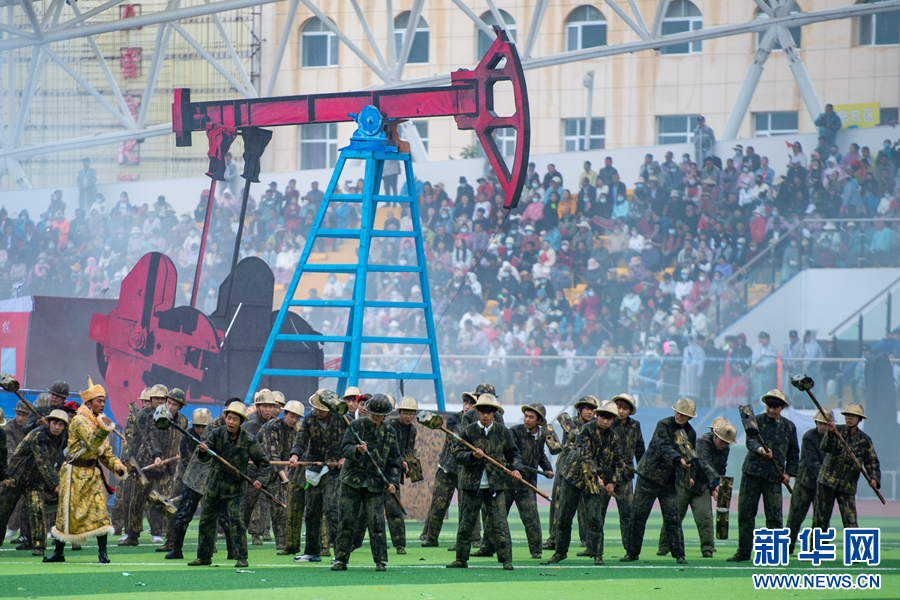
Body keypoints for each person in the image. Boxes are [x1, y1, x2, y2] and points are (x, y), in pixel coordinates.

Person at [48, 379, 127, 564]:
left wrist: (117, 466)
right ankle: (58, 552)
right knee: (66, 513)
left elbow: (105, 453)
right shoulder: (79, 420)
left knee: (100, 512)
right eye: (99, 401)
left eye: (104, 401)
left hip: (92, 474)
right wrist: (104, 429)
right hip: (74, 474)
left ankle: (103, 554)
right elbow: (92, 442)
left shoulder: (98, 420)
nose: (103, 404)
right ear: (89, 403)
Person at [189, 401, 272, 568]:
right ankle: (203, 556)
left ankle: (241, 557)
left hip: (235, 488)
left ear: (241, 421)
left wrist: (260, 480)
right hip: (214, 486)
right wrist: (203, 451)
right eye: (228, 418)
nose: (230, 422)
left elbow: (264, 463)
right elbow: (204, 456)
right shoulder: (217, 434)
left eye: (235, 419)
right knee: (206, 521)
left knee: (237, 522)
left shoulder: (249, 439)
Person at [446, 393, 524, 570]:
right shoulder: (468, 431)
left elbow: (513, 453)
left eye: (489, 411)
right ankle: (461, 559)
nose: (486, 415)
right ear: (478, 412)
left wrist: (517, 469)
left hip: (495, 485)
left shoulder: (503, 432)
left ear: (495, 413)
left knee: (500, 524)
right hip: (471, 485)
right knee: (467, 524)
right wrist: (472, 455)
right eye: (482, 411)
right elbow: (457, 455)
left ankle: (506, 559)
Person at [331, 394, 401, 572]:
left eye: (379, 415)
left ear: (385, 415)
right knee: (346, 522)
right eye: (372, 413)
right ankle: (340, 559)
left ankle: (381, 561)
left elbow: (394, 460)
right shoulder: (356, 426)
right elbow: (344, 448)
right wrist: (357, 449)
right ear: (368, 411)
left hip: (375, 485)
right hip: (350, 482)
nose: (375, 417)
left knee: (377, 523)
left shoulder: (390, 432)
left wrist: (393, 482)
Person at [547, 400, 623, 566]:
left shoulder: (614, 437)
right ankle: (560, 552)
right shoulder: (585, 430)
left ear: (613, 420)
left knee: (595, 518)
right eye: (602, 416)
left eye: (609, 418)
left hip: (595, 482)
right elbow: (585, 456)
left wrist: (612, 482)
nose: (605, 421)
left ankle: (597, 554)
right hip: (573, 478)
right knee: (564, 518)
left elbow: (618, 462)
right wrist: (597, 477)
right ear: (597, 415)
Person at [623, 398, 697, 564]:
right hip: (648, 477)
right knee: (638, 516)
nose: (679, 416)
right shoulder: (663, 424)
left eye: (683, 414)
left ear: (690, 417)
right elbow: (662, 445)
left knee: (673, 519)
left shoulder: (691, 433)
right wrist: (678, 459)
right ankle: (632, 553)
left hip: (668, 482)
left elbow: (691, 457)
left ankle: (679, 554)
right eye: (678, 412)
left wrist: (690, 476)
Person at [728, 389, 799, 562]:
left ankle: (775, 553)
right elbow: (750, 442)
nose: (771, 410)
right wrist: (761, 450)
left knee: (774, 517)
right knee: (745, 514)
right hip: (752, 473)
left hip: (774, 477)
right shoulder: (756, 421)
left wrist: (788, 473)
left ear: (782, 407)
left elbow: (793, 453)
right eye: (769, 406)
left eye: (775, 407)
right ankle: (744, 552)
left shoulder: (789, 427)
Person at [481, 403, 559, 560]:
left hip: (527, 485)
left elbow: (541, 454)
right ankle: (487, 548)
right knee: (496, 517)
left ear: (539, 420)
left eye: (531, 417)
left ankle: (536, 550)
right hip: (508, 482)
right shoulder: (514, 431)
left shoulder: (542, 435)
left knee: (531, 518)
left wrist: (548, 469)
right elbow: (510, 452)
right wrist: (516, 469)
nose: (527, 420)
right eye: (526, 416)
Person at [658, 422, 736, 558]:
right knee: (674, 516)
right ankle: (664, 546)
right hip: (685, 482)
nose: (723, 445)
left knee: (705, 518)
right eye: (722, 441)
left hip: (702, 486)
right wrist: (717, 482)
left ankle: (707, 549)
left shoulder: (725, 449)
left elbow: (721, 468)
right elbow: (704, 462)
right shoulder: (703, 441)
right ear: (714, 435)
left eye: (727, 443)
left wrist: (713, 489)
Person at [289, 389, 347, 562]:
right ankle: (311, 551)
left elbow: (352, 441)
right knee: (312, 510)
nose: (316, 411)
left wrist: (345, 456)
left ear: (330, 408)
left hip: (334, 470)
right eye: (315, 408)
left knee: (332, 509)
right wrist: (295, 455)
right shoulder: (309, 419)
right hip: (314, 468)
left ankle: (339, 553)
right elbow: (301, 439)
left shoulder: (343, 418)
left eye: (320, 409)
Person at [0, 409, 68, 557]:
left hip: (35, 479)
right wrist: (54, 484)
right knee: (3, 510)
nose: (57, 427)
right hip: (16, 476)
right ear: (49, 422)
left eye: (61, 424)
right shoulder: (38, 435)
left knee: (37, 510)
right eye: (55, 423)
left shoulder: (60, 437)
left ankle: (39, 545)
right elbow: (43, 461)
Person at [122, 384, 183, 546]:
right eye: (167, 402)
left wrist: (179, 453)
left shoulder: (182, 420)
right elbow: (149, 437)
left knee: (164, 500)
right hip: (147, 463)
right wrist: (156, 455)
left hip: (167, 466)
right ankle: (132, 534)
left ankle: (159, 533)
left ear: (180, 406)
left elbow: (182, 439)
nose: (168, 406)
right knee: (138, 499)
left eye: (172, 404)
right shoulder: (147, 416)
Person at [812, 404, 881, 532]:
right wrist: (831, 435)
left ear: (859, 419)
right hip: (827, 483)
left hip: (847, 486)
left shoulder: (864, 440)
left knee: (851, 523)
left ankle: (855, 552)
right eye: (847, 415)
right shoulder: (836, 430)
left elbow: (872, 462)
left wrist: (874, 479)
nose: (849, 418)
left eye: (853, 416)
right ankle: (817, 550)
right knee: (820, 521)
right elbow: (825, 447)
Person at [420, 392, 477, 547]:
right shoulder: (454, 418)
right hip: (446, 467)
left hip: (465, 470)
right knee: (438, 504)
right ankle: (431, 538)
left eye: (470, 404)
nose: (466, 406)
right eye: (465, 403)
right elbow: (460, 437)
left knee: (467, 506)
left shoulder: (479, 422)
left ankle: (473, 539)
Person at [543, 395, 598, 550]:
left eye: (593, 410)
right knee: (558, 504)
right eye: (587, 409)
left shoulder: (595, 426)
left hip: (586, 468)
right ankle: (554, 539)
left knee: (586, 505)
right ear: (579, 409)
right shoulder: (569, 421)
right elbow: (573, 434)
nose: (590, 412)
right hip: (566, 468)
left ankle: (587, 541)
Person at [161, 408, 212, 560]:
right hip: (187, 477)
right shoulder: (186, 437)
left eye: (204, 426)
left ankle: (211, 544)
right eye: (198, 426)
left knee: (210, 514)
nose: (201, 430)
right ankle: (173, 544)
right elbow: (189, 461)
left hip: (209, 479)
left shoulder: (214, 435)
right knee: (179, 512)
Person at [257, 399, 303, 553]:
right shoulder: (272, 427)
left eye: (297, 417)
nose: (294, 420)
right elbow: (273, 455)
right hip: (258, 469)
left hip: (278, 472)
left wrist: (287, 475)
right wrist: (286, 479)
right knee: (248, 506)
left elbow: (293, 454)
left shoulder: (296, 430)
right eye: (292, 416)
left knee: (278, 508)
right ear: (285, 414)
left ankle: (282, 543)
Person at [603, 393, 644, 555]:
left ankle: (630, 549)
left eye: (625, 408)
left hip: (626, 476)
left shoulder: (635, 425)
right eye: (619, 407)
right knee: (598, 513)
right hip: (605, 474)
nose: (621, 411)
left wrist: (643, 469)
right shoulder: (608, 423)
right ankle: (594, 549)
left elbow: (640, 449)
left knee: (627, 514)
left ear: (630, 411)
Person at [786, 410, 830, 554]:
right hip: (804, 483)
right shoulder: (809, 437)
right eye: (820, 423)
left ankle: (818, 548)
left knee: (821, 518)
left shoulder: (835, 439)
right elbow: (812, 462)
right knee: (795, 515)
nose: (822, 426)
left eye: (825, 424)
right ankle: (787, 547)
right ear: (816, 423)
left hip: (823, 486)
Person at [242, 390, 280, 545]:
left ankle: (272, 535)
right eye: (265, 406)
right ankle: (251, 534)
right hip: (251, 470)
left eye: (271, 406)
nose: (268, 409)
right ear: (257, 407)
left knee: (268, 502)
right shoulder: (250, 424)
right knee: (250, 504)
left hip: (268, 469)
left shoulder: (273, 424)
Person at [382, 396, 419, 555]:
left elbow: (409, 451)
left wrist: (414, 470)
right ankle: (354, 543)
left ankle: (399, 544)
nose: (409, 416)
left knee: (395, 509)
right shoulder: (389, 425)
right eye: (406, 413)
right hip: (380, 470)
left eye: (412, 413)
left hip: (394, 475)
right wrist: (403, 460)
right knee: (365, 512)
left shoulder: (413, 429)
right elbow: (390, 450)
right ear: (399, 412)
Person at [751, 331, 778, 399]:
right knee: (759, 392)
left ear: (768, 339)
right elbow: (753, 359)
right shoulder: (757, 349)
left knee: (768, 392)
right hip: (758, 373)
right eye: (761, 338)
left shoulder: (773, 349)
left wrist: (762, 365)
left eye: (764, 338)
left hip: (768, 373)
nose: (762, 340)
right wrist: (757, 365)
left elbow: (772, 361)